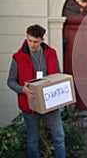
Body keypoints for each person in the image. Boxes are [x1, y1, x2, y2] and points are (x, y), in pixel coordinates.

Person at [7, 24, 66, 158]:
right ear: (26, 38)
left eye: (36, 42)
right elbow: (10, 81)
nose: (32, 44)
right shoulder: (18, 57)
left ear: (42, 40)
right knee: (32, 140)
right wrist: (22, 89)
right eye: (30, 41)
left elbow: (58, 74)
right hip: (29, 105)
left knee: (59, 138)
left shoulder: (51, 53)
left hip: (50, 103)